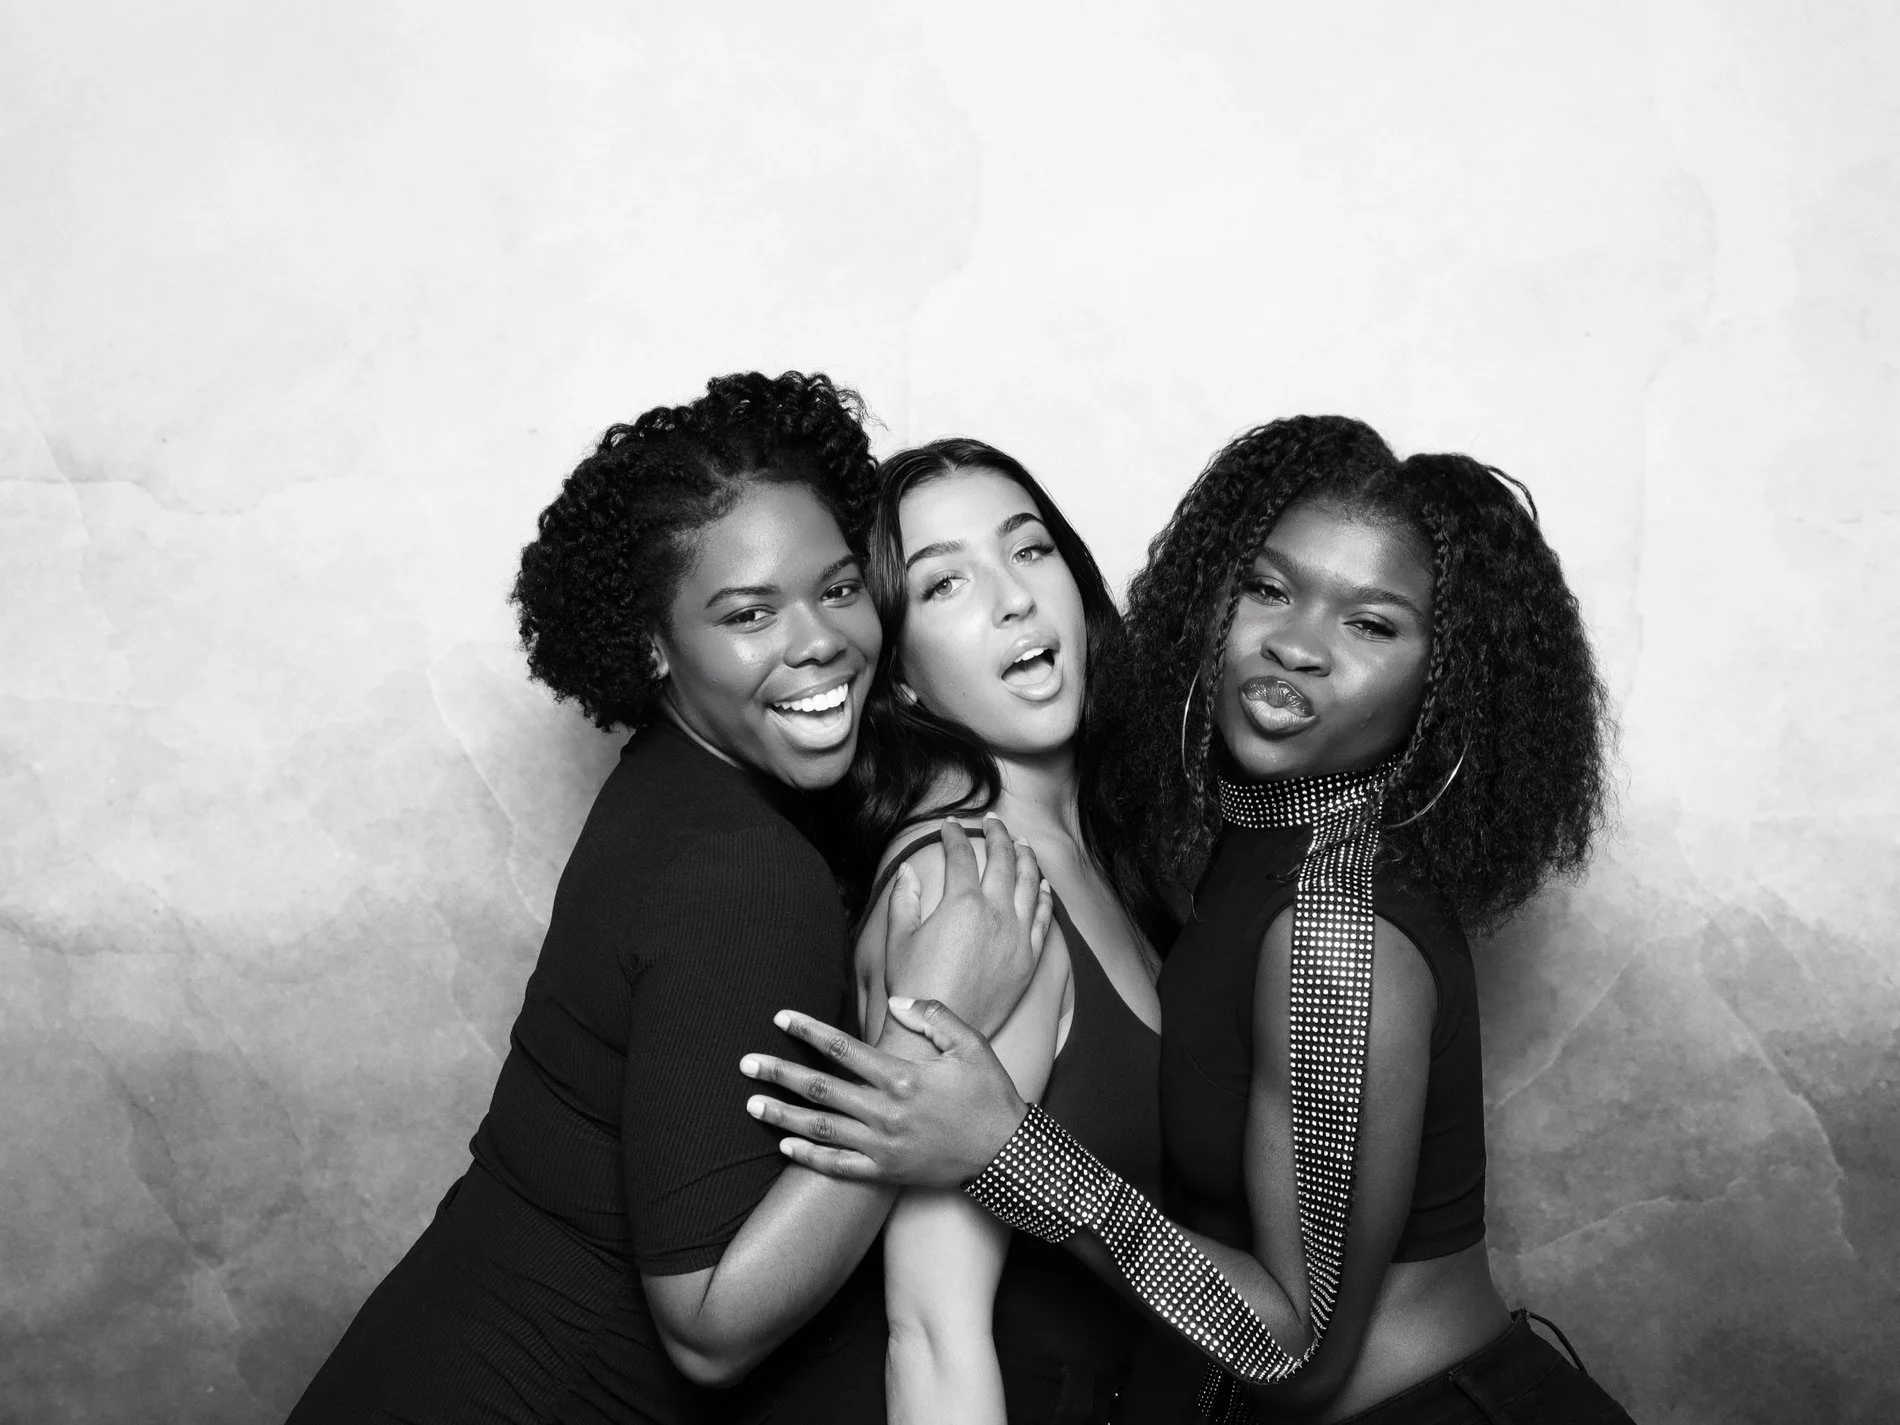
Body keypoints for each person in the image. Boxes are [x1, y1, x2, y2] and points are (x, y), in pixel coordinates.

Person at [740, 416, 1637, 1424]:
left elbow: (1295, 1351)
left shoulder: (1327, 927)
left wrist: (1006, 1146)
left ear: (1445, 680)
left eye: (1371, 624)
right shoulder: (1217, 855)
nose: (1297, 646)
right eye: (1267, 588)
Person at [285, 372, 1051, 1425]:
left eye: (835, 588)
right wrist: (924, 1039)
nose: (818, 640)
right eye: (747, 613)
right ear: (654, 644)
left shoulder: (676, 783)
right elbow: (709, 1328)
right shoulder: (740, 871)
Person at [842, 439, 1165, 1424]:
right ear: (897, 674)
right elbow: (932, 1332)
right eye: (945, 584)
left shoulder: (1096, 851)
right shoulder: (970, 888)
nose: (1013, 597)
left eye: (1028, 551)